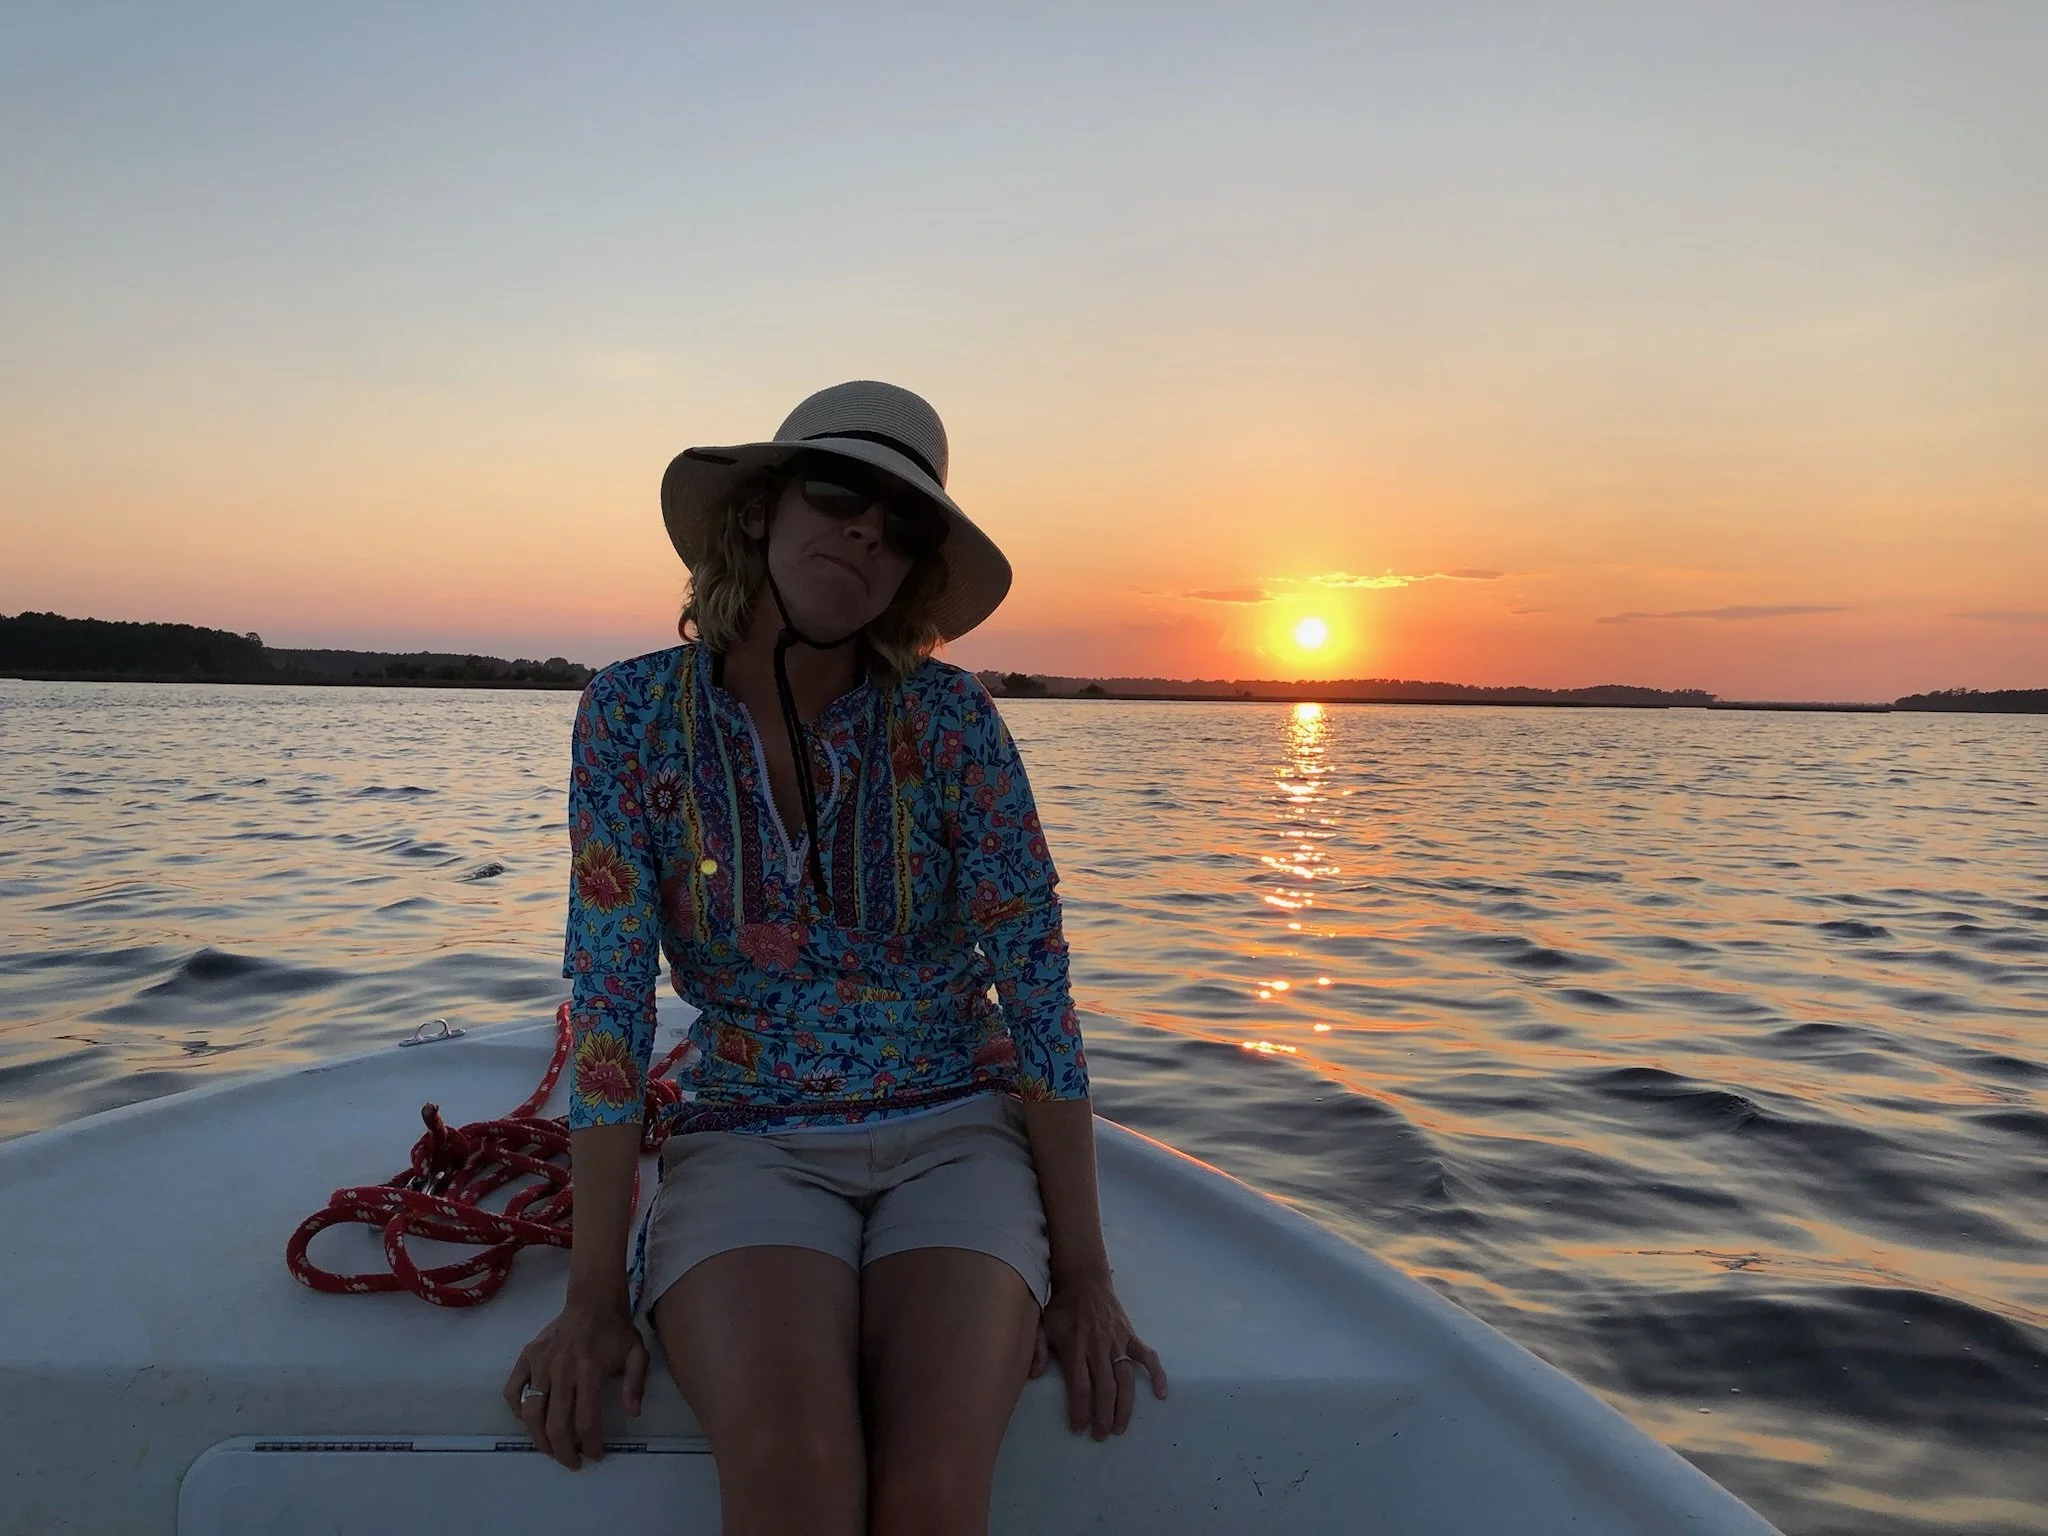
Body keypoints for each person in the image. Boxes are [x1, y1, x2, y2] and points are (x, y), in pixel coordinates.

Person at [504, 381, 1165, 1534]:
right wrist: (589, 1293)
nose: (867, 529)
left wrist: (1088, 1276)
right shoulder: (627, 718)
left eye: (901, 525)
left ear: (909, 574)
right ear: (759, 511)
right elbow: (608, 1005)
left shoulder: (954, 725)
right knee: (796, 1477)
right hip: (748, 1137)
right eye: (839, 492)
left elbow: (1039, 996)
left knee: (928, 1493)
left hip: (956, 1132)